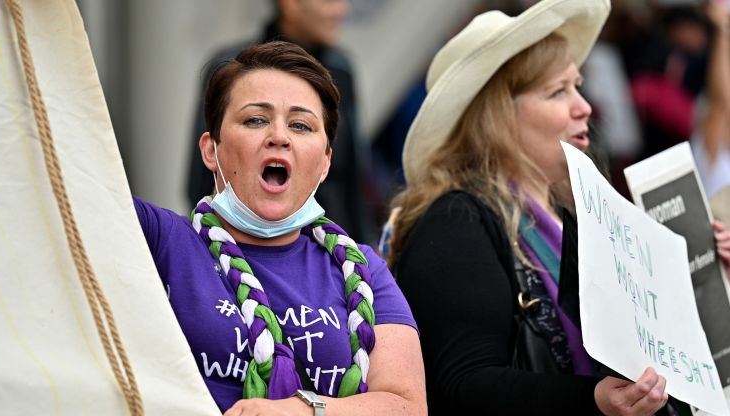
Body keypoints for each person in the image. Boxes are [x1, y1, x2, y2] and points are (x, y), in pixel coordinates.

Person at [385, 0, 671, 414]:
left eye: (578, 85)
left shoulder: (567, 216)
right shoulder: (455, 221)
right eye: (558, 91)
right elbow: (464, 385)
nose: (584, 107)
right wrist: (593, 402)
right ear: (497, 116)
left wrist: (700, 274)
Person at [135, 41, 425, 415]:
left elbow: (407, 407)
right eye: (255, 119)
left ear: (324, 163)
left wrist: (302, 412)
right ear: (211, 151)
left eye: (301, 125)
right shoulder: (160, 240)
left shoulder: (365, 270)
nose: (280, 137)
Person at [186, 0, 373, 243]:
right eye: (255, 120)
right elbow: (198, 183)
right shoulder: (232, 67)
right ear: (290, 4)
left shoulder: (341, 70)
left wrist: (362, 251)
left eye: (301, 125)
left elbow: (355, 177)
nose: (341, 10)